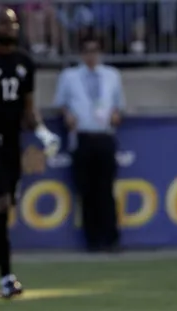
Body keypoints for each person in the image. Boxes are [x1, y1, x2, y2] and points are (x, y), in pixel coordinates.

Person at [0, 6, 60, 298]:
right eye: (3, 23)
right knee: (1, 204)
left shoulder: (25, 63)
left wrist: (42, 132)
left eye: (14, 22)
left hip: (12, 142)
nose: (10, 27)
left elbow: (28, 109)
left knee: (1, 212)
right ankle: (6, 278)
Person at [53, 33, 125, 252]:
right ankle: (92, 240)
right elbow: (61, 103)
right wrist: (67, 115)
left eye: (95, 51)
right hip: (82, 136)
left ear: (100, 53)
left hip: (104, 135)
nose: (91, 56)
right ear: (81, 54)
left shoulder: (112, 75)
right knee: (86, 191)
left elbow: (118, 104)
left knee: (106, 190)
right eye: (87, 51)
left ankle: (111, 239)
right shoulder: (70, 76)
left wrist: (115, 115)